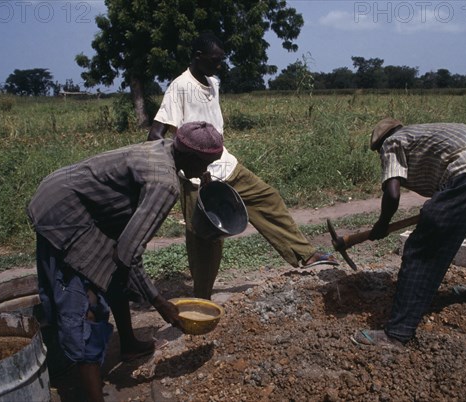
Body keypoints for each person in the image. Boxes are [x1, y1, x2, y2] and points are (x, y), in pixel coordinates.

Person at [27, 122, 224, 402]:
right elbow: (129, 253)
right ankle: (92, 395)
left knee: (113, 273)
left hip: (79, 200)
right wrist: (161, 304)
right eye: (206, 163)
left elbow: (123, 254)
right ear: (191, 157)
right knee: (84, 305)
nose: (205, 170)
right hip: (63, 213)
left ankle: (128, 343)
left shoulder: (165, 148)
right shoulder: (164, 183)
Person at [147, 32, 337, 300]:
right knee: (205, 238)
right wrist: (170, 168)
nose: (219, 65)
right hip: (196, 176)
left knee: (266, 197)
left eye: (221, 60)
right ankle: (202, 301)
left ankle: (305, 255)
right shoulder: (180, 86)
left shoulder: (213, 82)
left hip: (225, 163)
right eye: (215, 60)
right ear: (198, 57)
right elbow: (156, 134)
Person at [353, 118, 466, 347]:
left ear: (380, 143)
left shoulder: (392, 143)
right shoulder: (424, 134)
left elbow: (392, 194)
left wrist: (382, 224)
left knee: (422, 249)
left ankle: (397, 333)